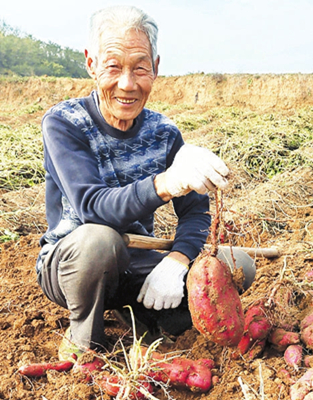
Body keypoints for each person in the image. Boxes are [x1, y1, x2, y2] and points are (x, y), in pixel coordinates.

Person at [36, 5, 253, 362]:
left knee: (237, 265)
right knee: (99, 239)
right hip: (74, 266)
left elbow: (196, 212)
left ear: (156, 67)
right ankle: (84, 338)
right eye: (113, 67)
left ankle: (146, 316)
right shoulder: (64, 123)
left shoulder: (164, 132)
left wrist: (179, 261)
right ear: (91, 64)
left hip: (135, 263)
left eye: (140, 67)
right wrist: (165, 183)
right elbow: (92, 206)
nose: (127, 83)